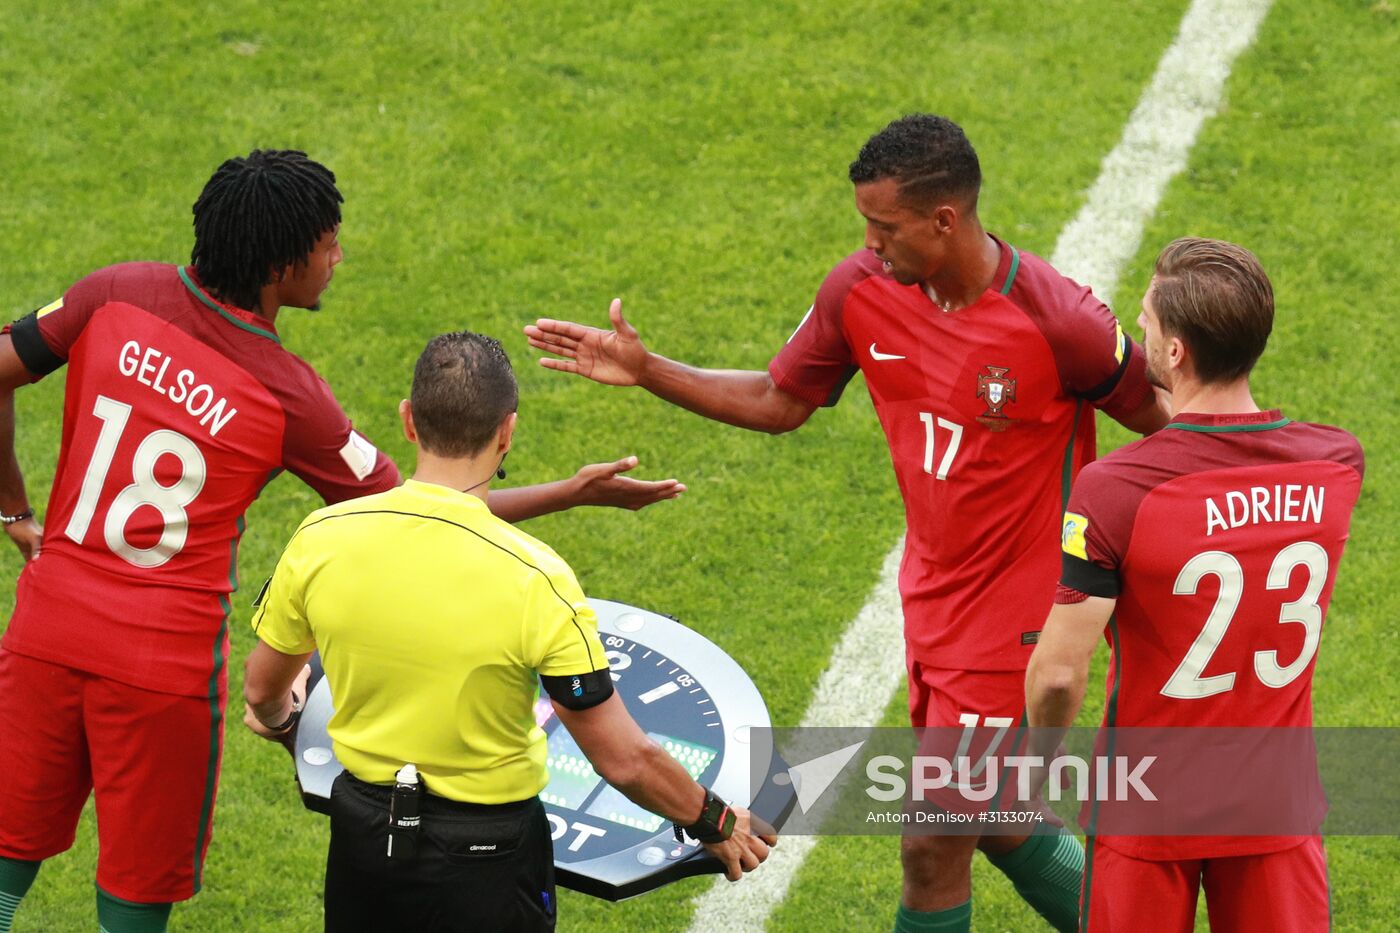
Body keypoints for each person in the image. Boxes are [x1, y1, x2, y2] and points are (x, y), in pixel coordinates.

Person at [0, 150, 683, 933]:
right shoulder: (287, 394)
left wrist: (13, 512)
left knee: (8, 851)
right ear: (284, 266)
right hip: (161, 670)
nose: (338, 259)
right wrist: (572, 491)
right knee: (131, 894)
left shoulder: (111, 292)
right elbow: (419, 508)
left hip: (44, 628)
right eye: (329, 245)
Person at [525, 113, 1170, 932]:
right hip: (934, 605)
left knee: (932, 848)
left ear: (944, 220)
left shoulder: (1059, 320)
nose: (870, 244)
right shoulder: (861, 291)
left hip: (1016, 627)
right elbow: (780, 398)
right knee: (1003, 820)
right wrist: (649, 370)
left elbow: (1164, 415)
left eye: (885, 227)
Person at [242, 331, 773, 931]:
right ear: (507, 432)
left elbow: (263, 694)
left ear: (410, 422)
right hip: (489, 860)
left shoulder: (320, 537)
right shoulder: (538, 578)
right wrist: (715, 820)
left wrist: (285, 721)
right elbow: (624, 758)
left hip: (366, 840)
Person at [1025, 237, 1363, 932]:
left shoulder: (1117, 489)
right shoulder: (1335, 463)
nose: (1137, 326)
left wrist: (1040, 761)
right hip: (1276, 805)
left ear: (1176, 351)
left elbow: (1059, 673)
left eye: (1146, 317)